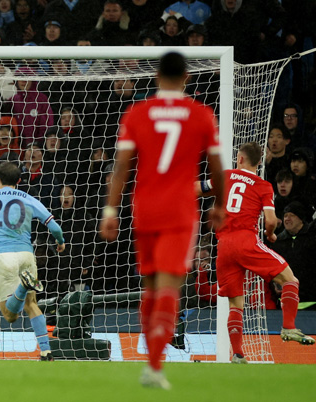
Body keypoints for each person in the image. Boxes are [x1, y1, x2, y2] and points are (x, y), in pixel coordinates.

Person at [100, 52, 226, 389]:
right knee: (170, 286)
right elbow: (216, 167)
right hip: (181, 210)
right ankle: (154, 367)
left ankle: (150, 361)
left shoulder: (137, 113)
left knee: (151, 286)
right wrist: (219, 204)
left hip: (145, 209)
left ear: (156, 76)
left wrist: (110, 210)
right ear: (186, 77)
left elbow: (122, 166)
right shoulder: (201, 115)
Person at [196, 142, 315, 365]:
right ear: (258, 162)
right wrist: (270, 235)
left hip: (223, 246)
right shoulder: (263, 185)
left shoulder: (226, 176)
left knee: (235, 303)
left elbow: (197, 188)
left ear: (239, 159)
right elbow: (270, 220)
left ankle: (238, 354)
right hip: (245, 240)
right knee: (290, 279)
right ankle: (288, 327)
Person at [0, 162, 66, 361]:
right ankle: (46, 351)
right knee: (31, 303)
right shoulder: (28, 198)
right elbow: (54, 226)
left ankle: (22, 287)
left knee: (11, 315)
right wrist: (60, 242)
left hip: (2, 257)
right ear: (19, 181)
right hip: (26, 255)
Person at [270, 202, 316, 306]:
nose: (287, 219)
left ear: (301, 219)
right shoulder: (277, 241)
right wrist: (274, 284)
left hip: (312, 302)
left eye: (292, 215)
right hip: (286, 302)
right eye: (285, 216)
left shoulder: (312, 238)